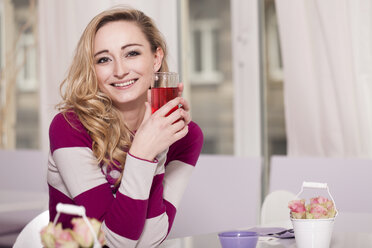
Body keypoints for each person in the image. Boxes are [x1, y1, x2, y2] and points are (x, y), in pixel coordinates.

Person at [47, 6, 203, 247]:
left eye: (131, 53)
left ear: (156, 58)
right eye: (104, 59)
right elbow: (114, 244)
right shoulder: (70, 127)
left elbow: (150, 240)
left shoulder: (184, 135)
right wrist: (143, 152)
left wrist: (157, 148)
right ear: (93, 69)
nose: (120, 71)